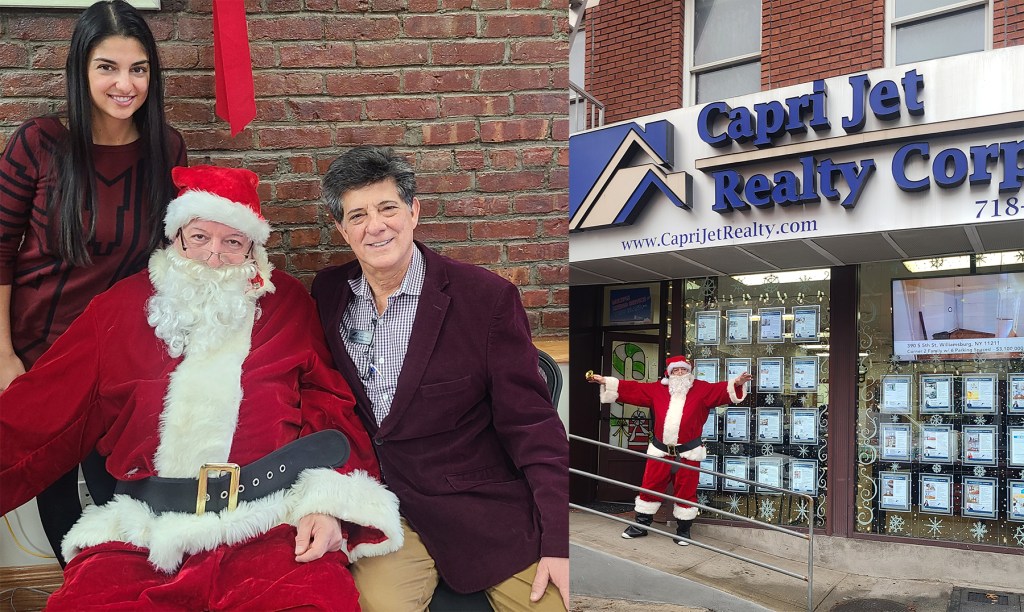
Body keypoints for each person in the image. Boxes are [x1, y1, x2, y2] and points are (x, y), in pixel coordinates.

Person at [0, 165, 403, 609]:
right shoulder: (118, 308)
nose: (213, 257)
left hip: (271, 525)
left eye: (232, 242)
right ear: (176, 237)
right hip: (145, 533)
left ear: (252, 248)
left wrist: (326, 506)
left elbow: (329, 405)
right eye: (199, 238)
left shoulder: (287, 302)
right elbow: (39, 411)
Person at [311, 145, 569, 611]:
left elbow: (533, 426)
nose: (375, 226)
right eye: (358, 215)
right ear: (341, 228)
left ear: (414, 211)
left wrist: (559, 539)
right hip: (387, 509)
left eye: (388, 208)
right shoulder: (328, 293)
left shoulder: (485, 299)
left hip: (482, 507)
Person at [0, 0, 187, 566]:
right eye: (108, 67)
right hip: (42, 356)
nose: (124, 84)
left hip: (120, 361)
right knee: (56, 499)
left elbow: (171, 256)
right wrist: (4, 356)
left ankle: (120, 593)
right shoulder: (40, 142)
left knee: (122, 501)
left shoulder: (167, 148)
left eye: (138, 69)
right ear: (81, 70)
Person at [588, 356, 751, 545]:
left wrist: (737, 382)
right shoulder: (658, 389)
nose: (680, 373)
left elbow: (722, 391)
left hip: (688, 452)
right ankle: (641, 525)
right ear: (669, 372)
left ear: (689, 371)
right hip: (660, 451)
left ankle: (683, 531)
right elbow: (634, 389)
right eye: (676, 370)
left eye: (683, 370)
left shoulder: (702, 389)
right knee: (650, 487)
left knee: (686, 491)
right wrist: (605, 381)